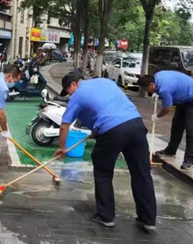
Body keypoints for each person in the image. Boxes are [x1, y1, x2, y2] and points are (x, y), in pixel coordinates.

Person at [54, 71, 157, 231]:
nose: (68, 94)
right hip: (136, 125)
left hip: (112, 131)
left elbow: (64, 125)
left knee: (103, 172)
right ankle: (148, 219)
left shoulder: (77, 96)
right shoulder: (106, 82)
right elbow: (108, 105)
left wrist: (62, 147)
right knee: (142, 173)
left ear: (73, 84)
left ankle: (106, 216)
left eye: (67, 90)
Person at [138, 72, 193, 170]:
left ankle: (189, 160)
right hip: (184, 99)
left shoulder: (164, 89)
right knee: (177, 125)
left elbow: (167, 108)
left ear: (152, 85)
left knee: (191, 129)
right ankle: (171, 150)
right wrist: (156, 93)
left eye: (146, 89)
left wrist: (157, 116)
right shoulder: (157, 76)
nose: (147, 91)